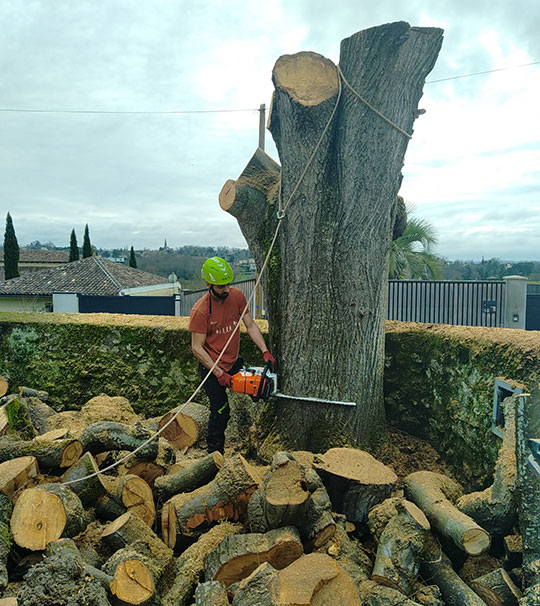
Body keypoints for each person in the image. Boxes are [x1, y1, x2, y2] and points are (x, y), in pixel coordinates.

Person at [189, 256, 275, 454]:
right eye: (221, 287)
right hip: (212, 368)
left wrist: (265, 351)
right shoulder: (201, 311)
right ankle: (214, 453)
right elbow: (197, 348)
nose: (226, 290)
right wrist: (219, 373)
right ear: (208, 284)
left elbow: (250, 325)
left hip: (233, 362)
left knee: (259, 387)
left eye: (228, 284)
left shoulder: (237, 297)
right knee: (220, 411)